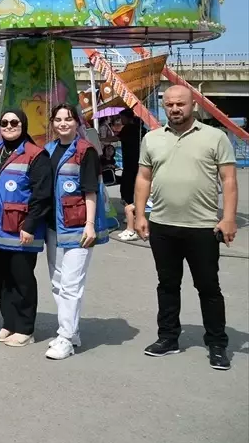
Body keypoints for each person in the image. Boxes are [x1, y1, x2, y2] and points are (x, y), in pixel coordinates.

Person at [134, 85, 238, 370]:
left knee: (208, 287)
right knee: (167, 285)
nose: (175, 109)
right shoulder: (153, 139)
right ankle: (168, 338)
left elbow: (228, 179)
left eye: (180, 104)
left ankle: (216, 343)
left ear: (193, 105)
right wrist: (140, 214)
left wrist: (228, 218)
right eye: (169, 104)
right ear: (164, 106)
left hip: (202, 227)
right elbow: (143, 178)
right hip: (162, 225)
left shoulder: (215, 137)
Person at [0, 107, 53, 347]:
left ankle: (25, 328)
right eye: (4, 123)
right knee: (1, 279)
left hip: (20, 229)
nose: (9, 126)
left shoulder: (36, 155)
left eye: (14, 123)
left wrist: (30, 225)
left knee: (21, 279)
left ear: (23, 126)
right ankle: (8, 323)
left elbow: (41, 195)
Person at [42, 103, 108, 360]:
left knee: (71, 283)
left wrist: (90, 224)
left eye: (68, 119)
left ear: (77, 122)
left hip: (78, 225)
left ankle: (65, 337)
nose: (62, 124)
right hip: (52, 226)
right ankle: (72, 330)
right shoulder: (48, 150)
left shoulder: (85, 151)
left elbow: (90, 189)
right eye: (57, 119)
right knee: (58, 282)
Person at [114, 108, 145, 241]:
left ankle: (131, 219)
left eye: (122, 118)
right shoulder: (140, 129)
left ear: (126, 118)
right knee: (136, 189)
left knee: (126, 189)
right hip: (140, 163)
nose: (121, 121)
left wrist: (100, 138)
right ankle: (135, 217)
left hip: (130, 164)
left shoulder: (128, 129)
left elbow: (115, 138)